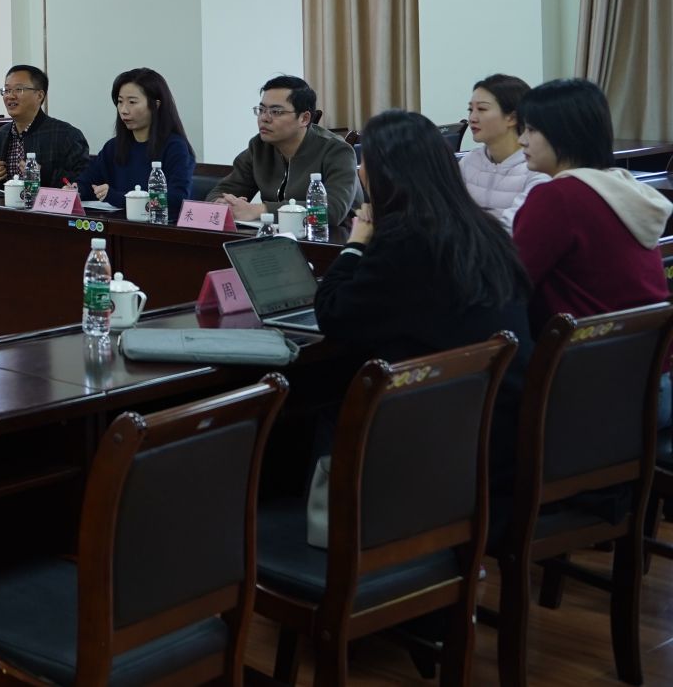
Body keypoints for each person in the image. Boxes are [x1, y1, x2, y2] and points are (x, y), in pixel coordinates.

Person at [314, 109, 532, 506]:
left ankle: (332, 518)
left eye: (366, 161)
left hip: (445, 443)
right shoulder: (480, 228)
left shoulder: (406, 239)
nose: (360, 170)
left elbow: (333, 314)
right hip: (502, 427)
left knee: (318, 401)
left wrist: (357, 242)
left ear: (388, 173)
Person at [513, 78, 671, 331]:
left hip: (586, 349)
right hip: (647, 346)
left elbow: (514, 280)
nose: (522, 140)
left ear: (565, 133)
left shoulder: (558, 197)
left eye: (531, 130)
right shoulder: (622, 186)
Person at [214, 75, 359, 224]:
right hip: (280, 235)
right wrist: (223, 203)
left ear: (304, 118)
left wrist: (260, 210)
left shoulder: (337, 150)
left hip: (336, 235)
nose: (264, 118)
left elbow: (332, 210)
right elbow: (222, 191)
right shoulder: (259, 147)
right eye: (262, 110)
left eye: (276, 112)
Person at [79, 68, 195, 216]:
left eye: (132, 102)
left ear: (155, 105)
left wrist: (118, 197)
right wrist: (76, 190)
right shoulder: (113, 146)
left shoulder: (175, 147)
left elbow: (176, 200)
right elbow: (88, 181)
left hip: (157, 227)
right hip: (116, 225)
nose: (124, 110)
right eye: (120, 102)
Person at [0, 65, 90, 189]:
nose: (10, 96)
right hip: (4, 202)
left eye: (19, 89)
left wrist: (42, 175)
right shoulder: (0, 135)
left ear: (39, 96)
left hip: (44, 202)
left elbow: (83, 182)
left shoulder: (67, 135)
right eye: (7, 90)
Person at [459, 73, 547, 232]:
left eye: (482, 109)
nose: (472, 118)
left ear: (512, 118)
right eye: (470, 109)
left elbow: (516, 227)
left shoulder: (536, 169)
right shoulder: (469, 162)